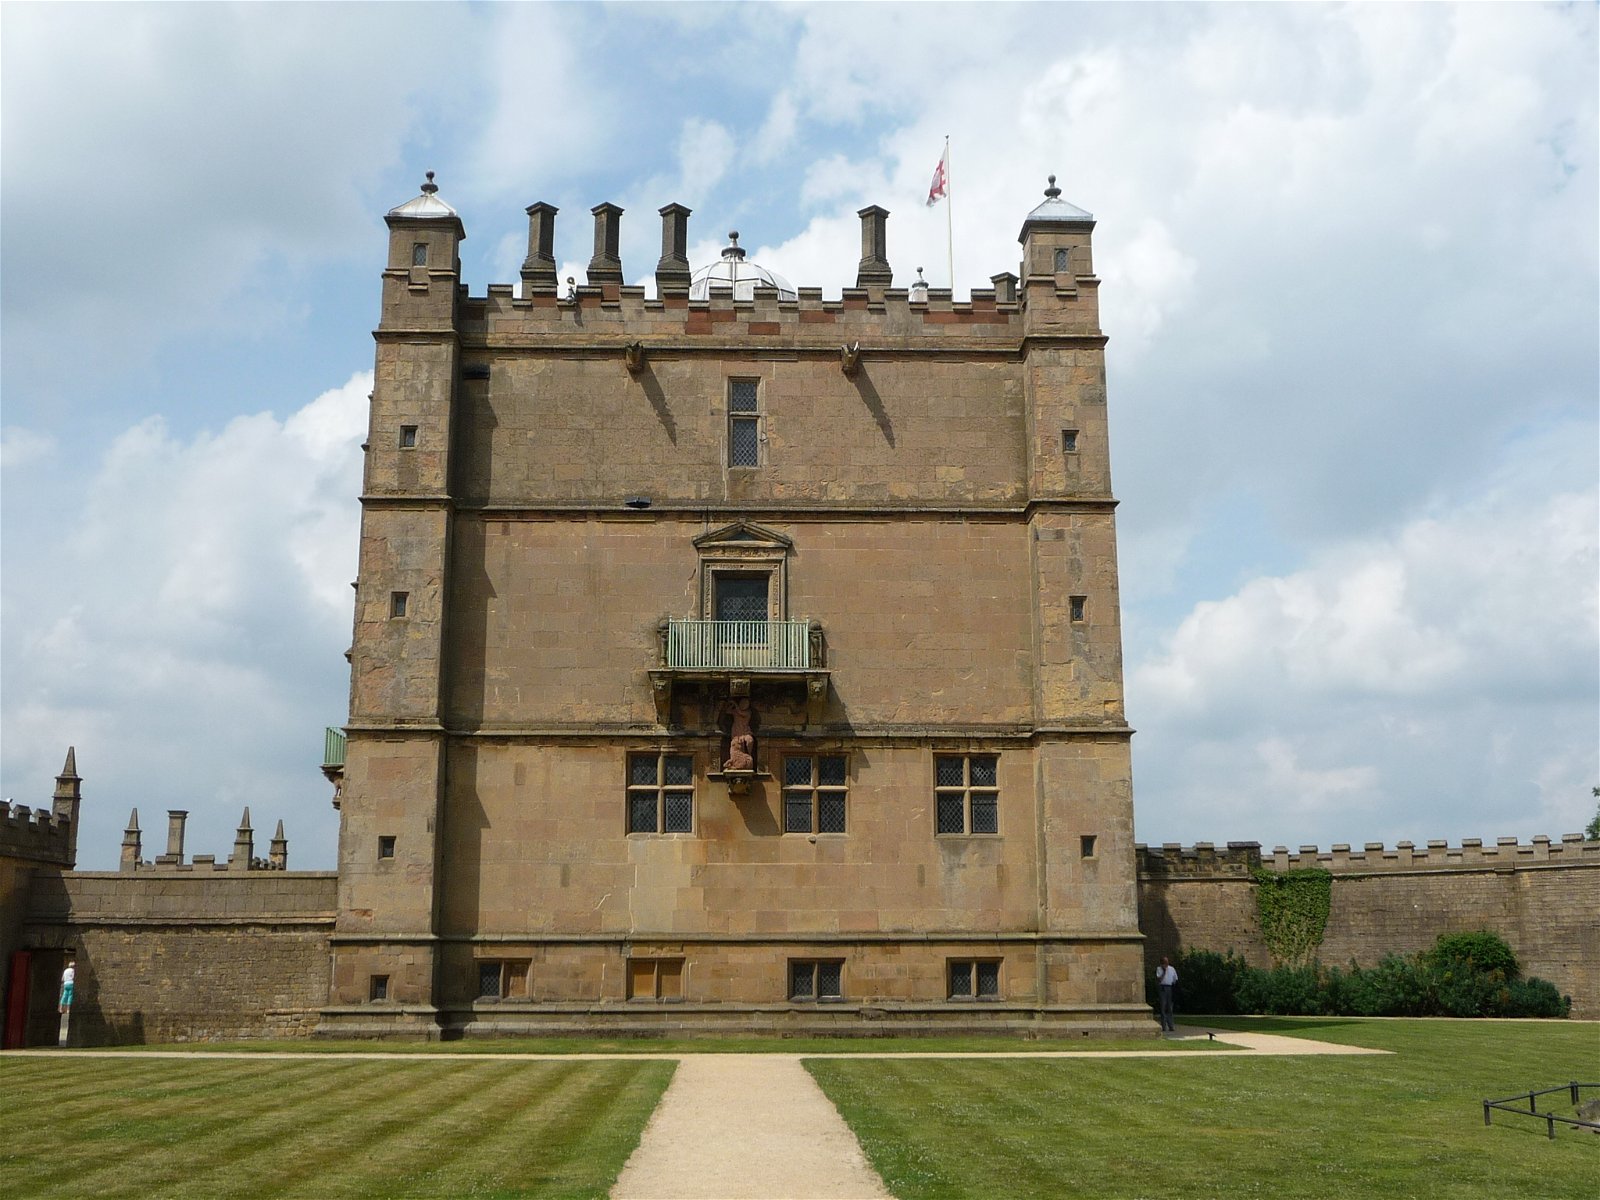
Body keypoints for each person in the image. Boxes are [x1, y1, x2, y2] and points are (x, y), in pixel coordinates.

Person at [1155, 956, 1178, 1032]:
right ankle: (1163, 1026)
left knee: (1170, 1008)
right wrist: (1164, 971)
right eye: (1164, 962)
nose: (1166, 964)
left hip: (1170, 987)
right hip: (1162, 988)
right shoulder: (1159, 969)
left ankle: (1171, 1025)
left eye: (1167, 962)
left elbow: (1175, 979)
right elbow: (1159, 979)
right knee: (1163, 1007)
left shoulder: (1172, 969)